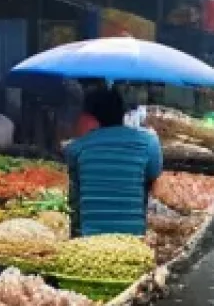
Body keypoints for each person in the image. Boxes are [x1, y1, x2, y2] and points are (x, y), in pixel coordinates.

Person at [65, 87, 163, 238]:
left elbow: (71, 175)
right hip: (134, 236)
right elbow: (154, 173)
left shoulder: (79, 146)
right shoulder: (148, 142)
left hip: (91, 237)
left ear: (92, 116)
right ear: (124, 112)